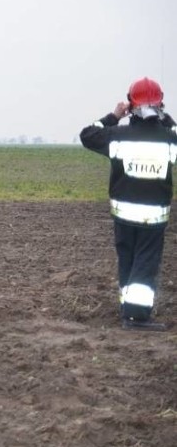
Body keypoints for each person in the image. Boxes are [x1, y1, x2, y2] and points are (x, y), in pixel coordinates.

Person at [80, 77, 177, 331]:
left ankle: (127, 309)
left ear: (131, 104)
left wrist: (113, 116)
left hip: (123, 215)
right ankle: (138, 318)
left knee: (127, 260)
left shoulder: (117, 135)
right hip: (153, 217)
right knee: (145, 263)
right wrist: (168, 119)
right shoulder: (168, 138)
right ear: (160, 104)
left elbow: (87, 134)